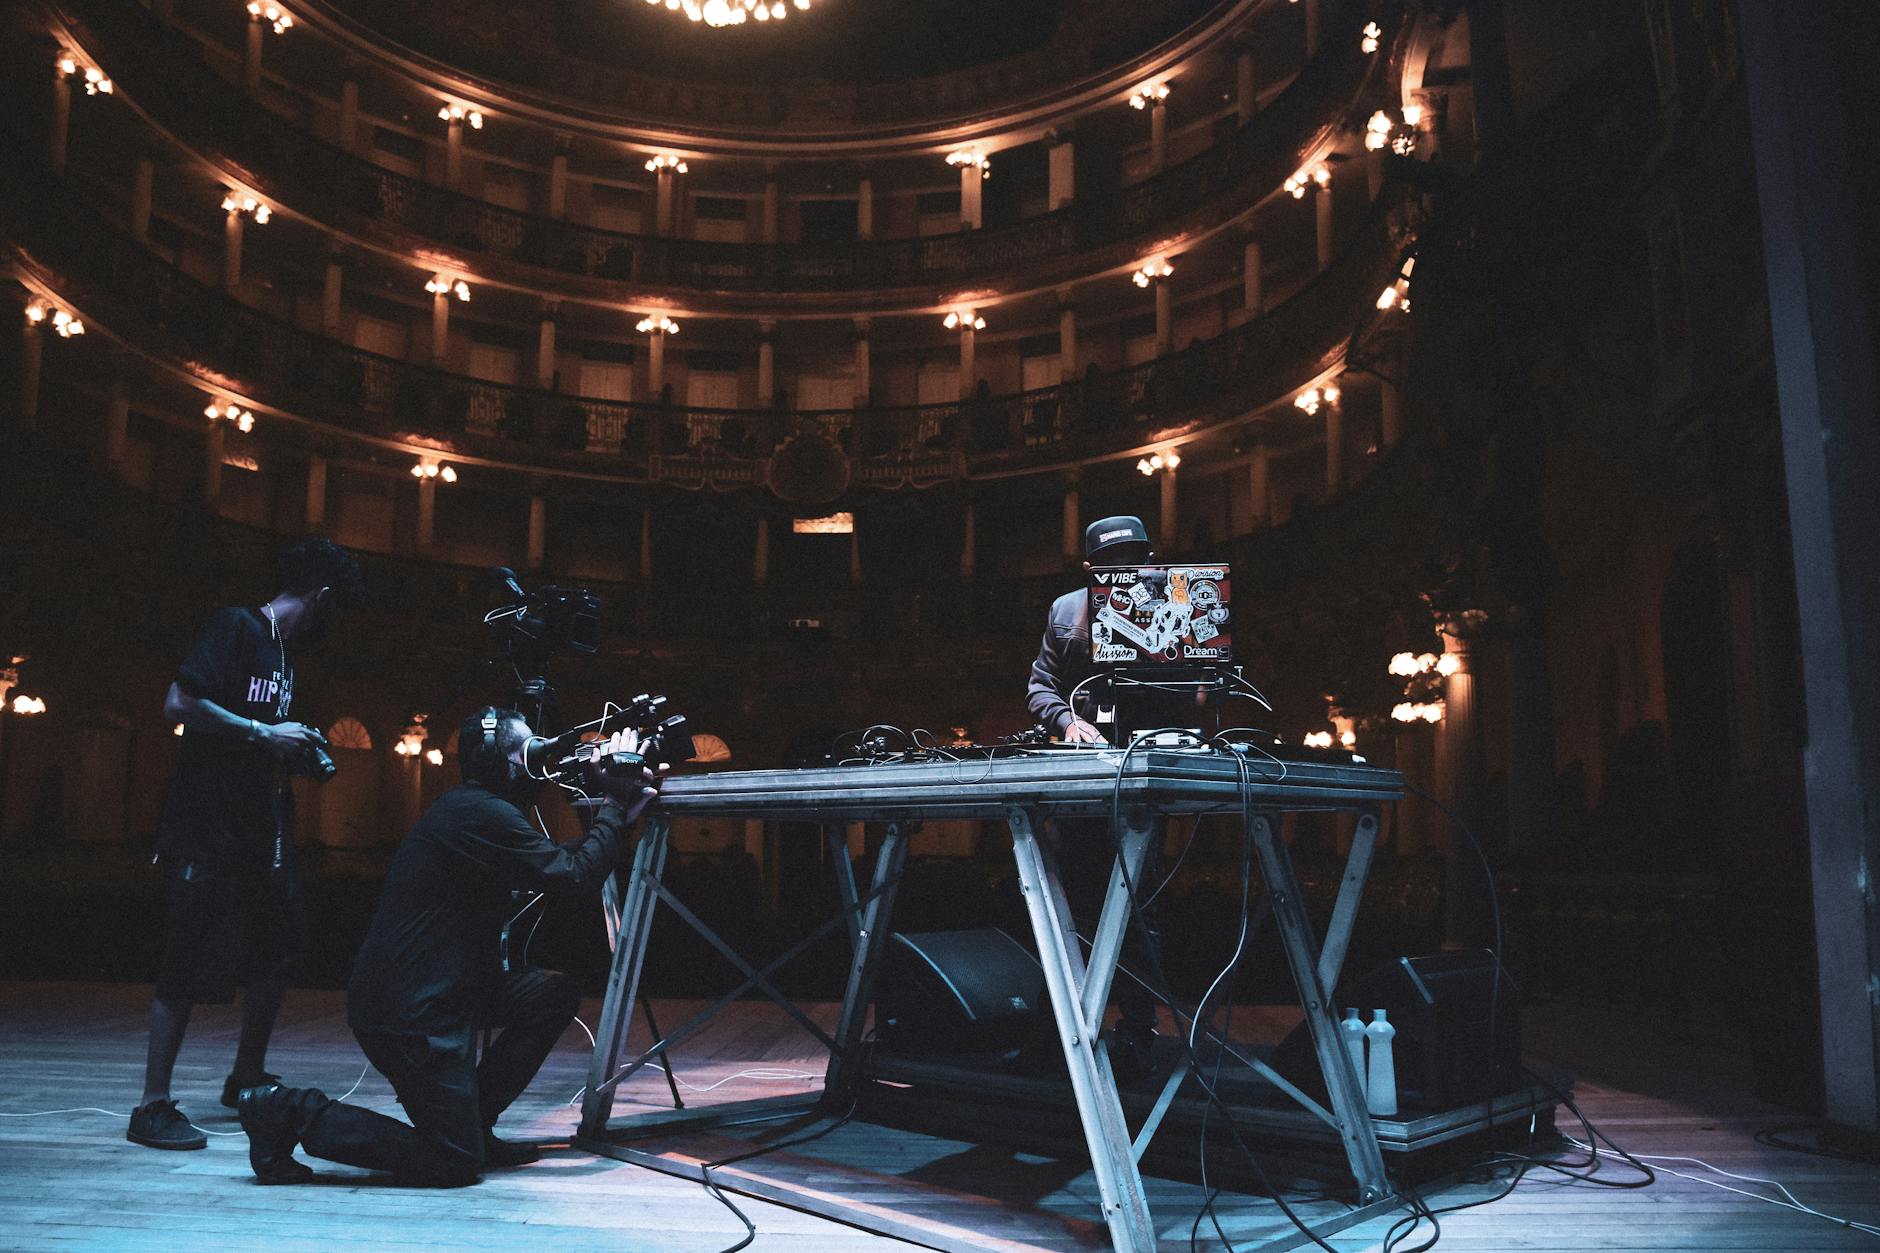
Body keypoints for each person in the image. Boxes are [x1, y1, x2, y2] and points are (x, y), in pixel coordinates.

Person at [234, 709, 662, 1186]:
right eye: (528, 752)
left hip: (447, 994)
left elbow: (563, 861)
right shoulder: (479, 813)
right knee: (454, 1161)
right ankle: (287, 1110)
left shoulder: (479, 810)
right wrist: (613, 806)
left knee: (551, 993)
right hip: (410, 1014)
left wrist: (614, 816)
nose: (537, 763)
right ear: (500, 762)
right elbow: (575, 878)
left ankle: (474, 1124)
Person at [130, 538, 365, 1151]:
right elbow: (179, 702)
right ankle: (151, 1105)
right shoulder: (237, 626)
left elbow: (258, 736)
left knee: (277, 947)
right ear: (322, 596)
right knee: (184, 961)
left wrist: (294, 748)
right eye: (336, 610)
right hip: (205, 825)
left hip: (260, 829)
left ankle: (246, 1077)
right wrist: (264, 732)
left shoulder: (285, 656)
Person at [1024, 515, 1196, 1082]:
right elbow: (1040, 686)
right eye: (1109, 565)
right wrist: (1067, 722)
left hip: (1142, 778)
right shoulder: (1066, 610)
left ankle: (1138, 1029)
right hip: (1083, 784)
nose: (1123, 571)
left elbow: (1195, 689)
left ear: (1150, 561)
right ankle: (1065, 1026)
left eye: (1133, 561)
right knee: (1072, 902)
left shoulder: (1174, 601)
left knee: (1138, 904)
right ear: (1089, 568)